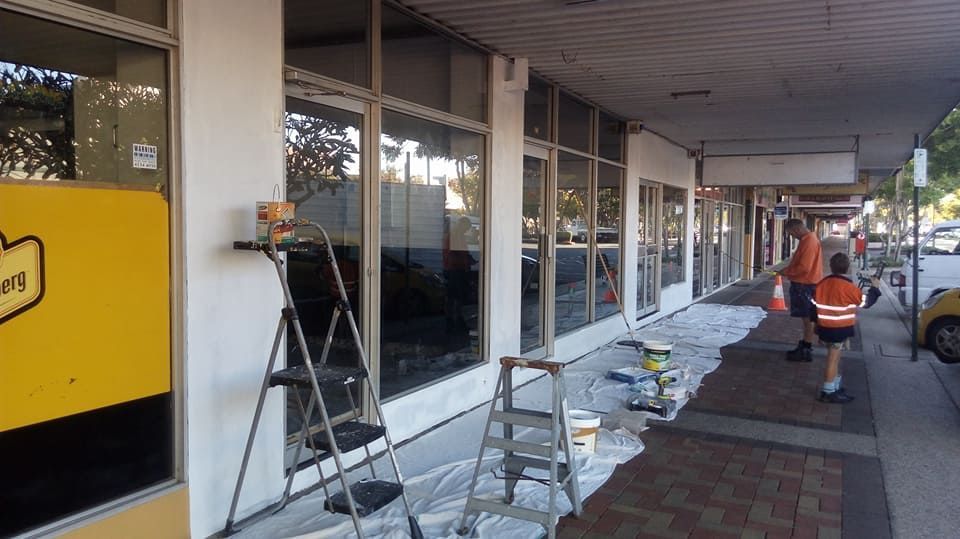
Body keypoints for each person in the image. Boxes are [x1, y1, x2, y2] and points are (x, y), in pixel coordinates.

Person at [812, 253, 881, 403]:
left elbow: (813, 306)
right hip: (839, 330)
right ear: (847, 267)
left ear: (831, 267)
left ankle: (835, 386)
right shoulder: (850, 288)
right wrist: (875, 288)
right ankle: (828, 391)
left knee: (835, 358)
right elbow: (866, 303)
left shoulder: (821, 284)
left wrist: (815, 327)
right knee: (833, 359)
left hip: (824, 328)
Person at [780, 218, 823, 362]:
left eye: (792, 234)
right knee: (807, 318)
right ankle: (805, 344)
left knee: (808, 318)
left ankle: (806, 348)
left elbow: (804, 267)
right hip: (805, 284)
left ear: (797, 229)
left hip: (805, 285)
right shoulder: (808, 239)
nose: (792, 237)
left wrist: (787, 271)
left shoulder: (809, 241)